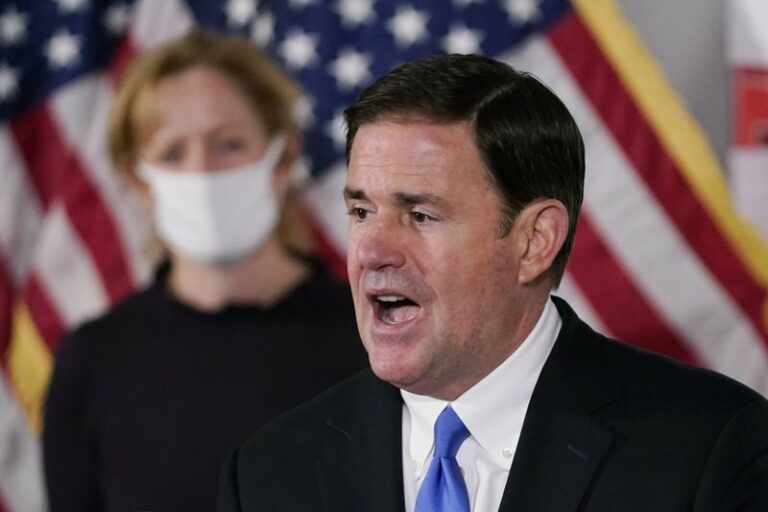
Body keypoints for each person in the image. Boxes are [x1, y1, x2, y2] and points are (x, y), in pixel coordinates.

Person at [218, 54, 768, 511]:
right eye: (362, 212)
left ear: (534, 242)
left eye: (420, 215)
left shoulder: (709, 451)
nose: (372, 252)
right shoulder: (270, 475)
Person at [42, 30, 367, 512]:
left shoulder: (372, 338)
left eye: (229, 143)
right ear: (139, 181)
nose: (203, 170)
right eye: (173, 153)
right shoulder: (93, 363)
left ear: (282, 157)